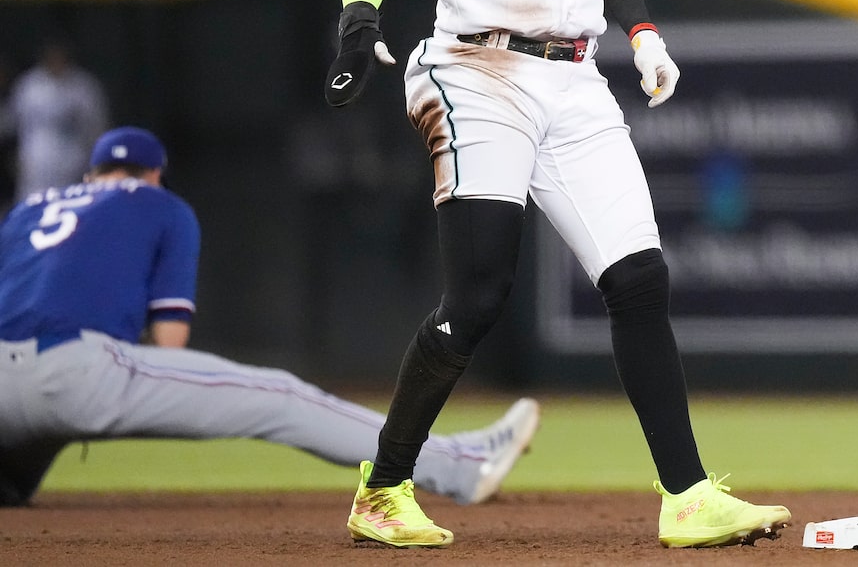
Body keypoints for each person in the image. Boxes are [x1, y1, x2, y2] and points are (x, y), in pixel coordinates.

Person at [320, 0, 791, 551]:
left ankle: (687, 495)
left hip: (575, 74)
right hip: (477, 68)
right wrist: (356, 17)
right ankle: (383, 486)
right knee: (480, 293)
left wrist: (643, 33)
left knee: (639, 278)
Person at [0, 126, 539, 508]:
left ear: (92, 173)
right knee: (280, 396)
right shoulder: (158, 204)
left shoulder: (28, 210)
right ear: (155, 174)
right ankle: (460, 465)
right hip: (77, 369)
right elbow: (168, 343)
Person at [8, 37, 108, 203]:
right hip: (36, 161)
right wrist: (15, 155)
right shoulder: (30, 84)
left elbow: (96, 126)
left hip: (73, 163)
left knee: (69, 205)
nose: (56, 61)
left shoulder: (83, 86)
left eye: (60, 57)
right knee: (32, 205)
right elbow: (14, 122)